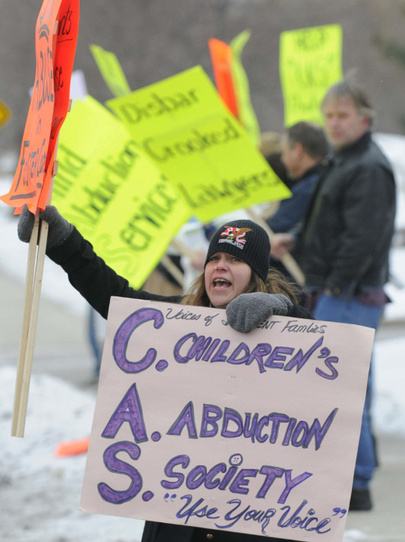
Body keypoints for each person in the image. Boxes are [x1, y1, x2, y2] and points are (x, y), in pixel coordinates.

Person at [18, 205, 310, 542]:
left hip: (249, 514)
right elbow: (116, 297)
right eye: (215, 258)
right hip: (178, 513)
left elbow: (328, 360)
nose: (221, 265)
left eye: (235, 260)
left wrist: (285, 311)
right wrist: (61, 241)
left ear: (257, 274)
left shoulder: (286, 331)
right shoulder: (179, 322)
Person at [271, 77, 397, 512]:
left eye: (343, 115)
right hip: (337, 290)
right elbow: (328, 223)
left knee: (344, 393)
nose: (335, 123)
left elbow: (361, 239)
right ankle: (357, 474)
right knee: (348, 390)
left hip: (349, 294)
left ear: (364, 119)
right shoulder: (344, 162)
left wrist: (334, 287)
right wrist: (295, 238)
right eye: (329, 116)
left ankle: (356, 484)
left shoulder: (369, 167)